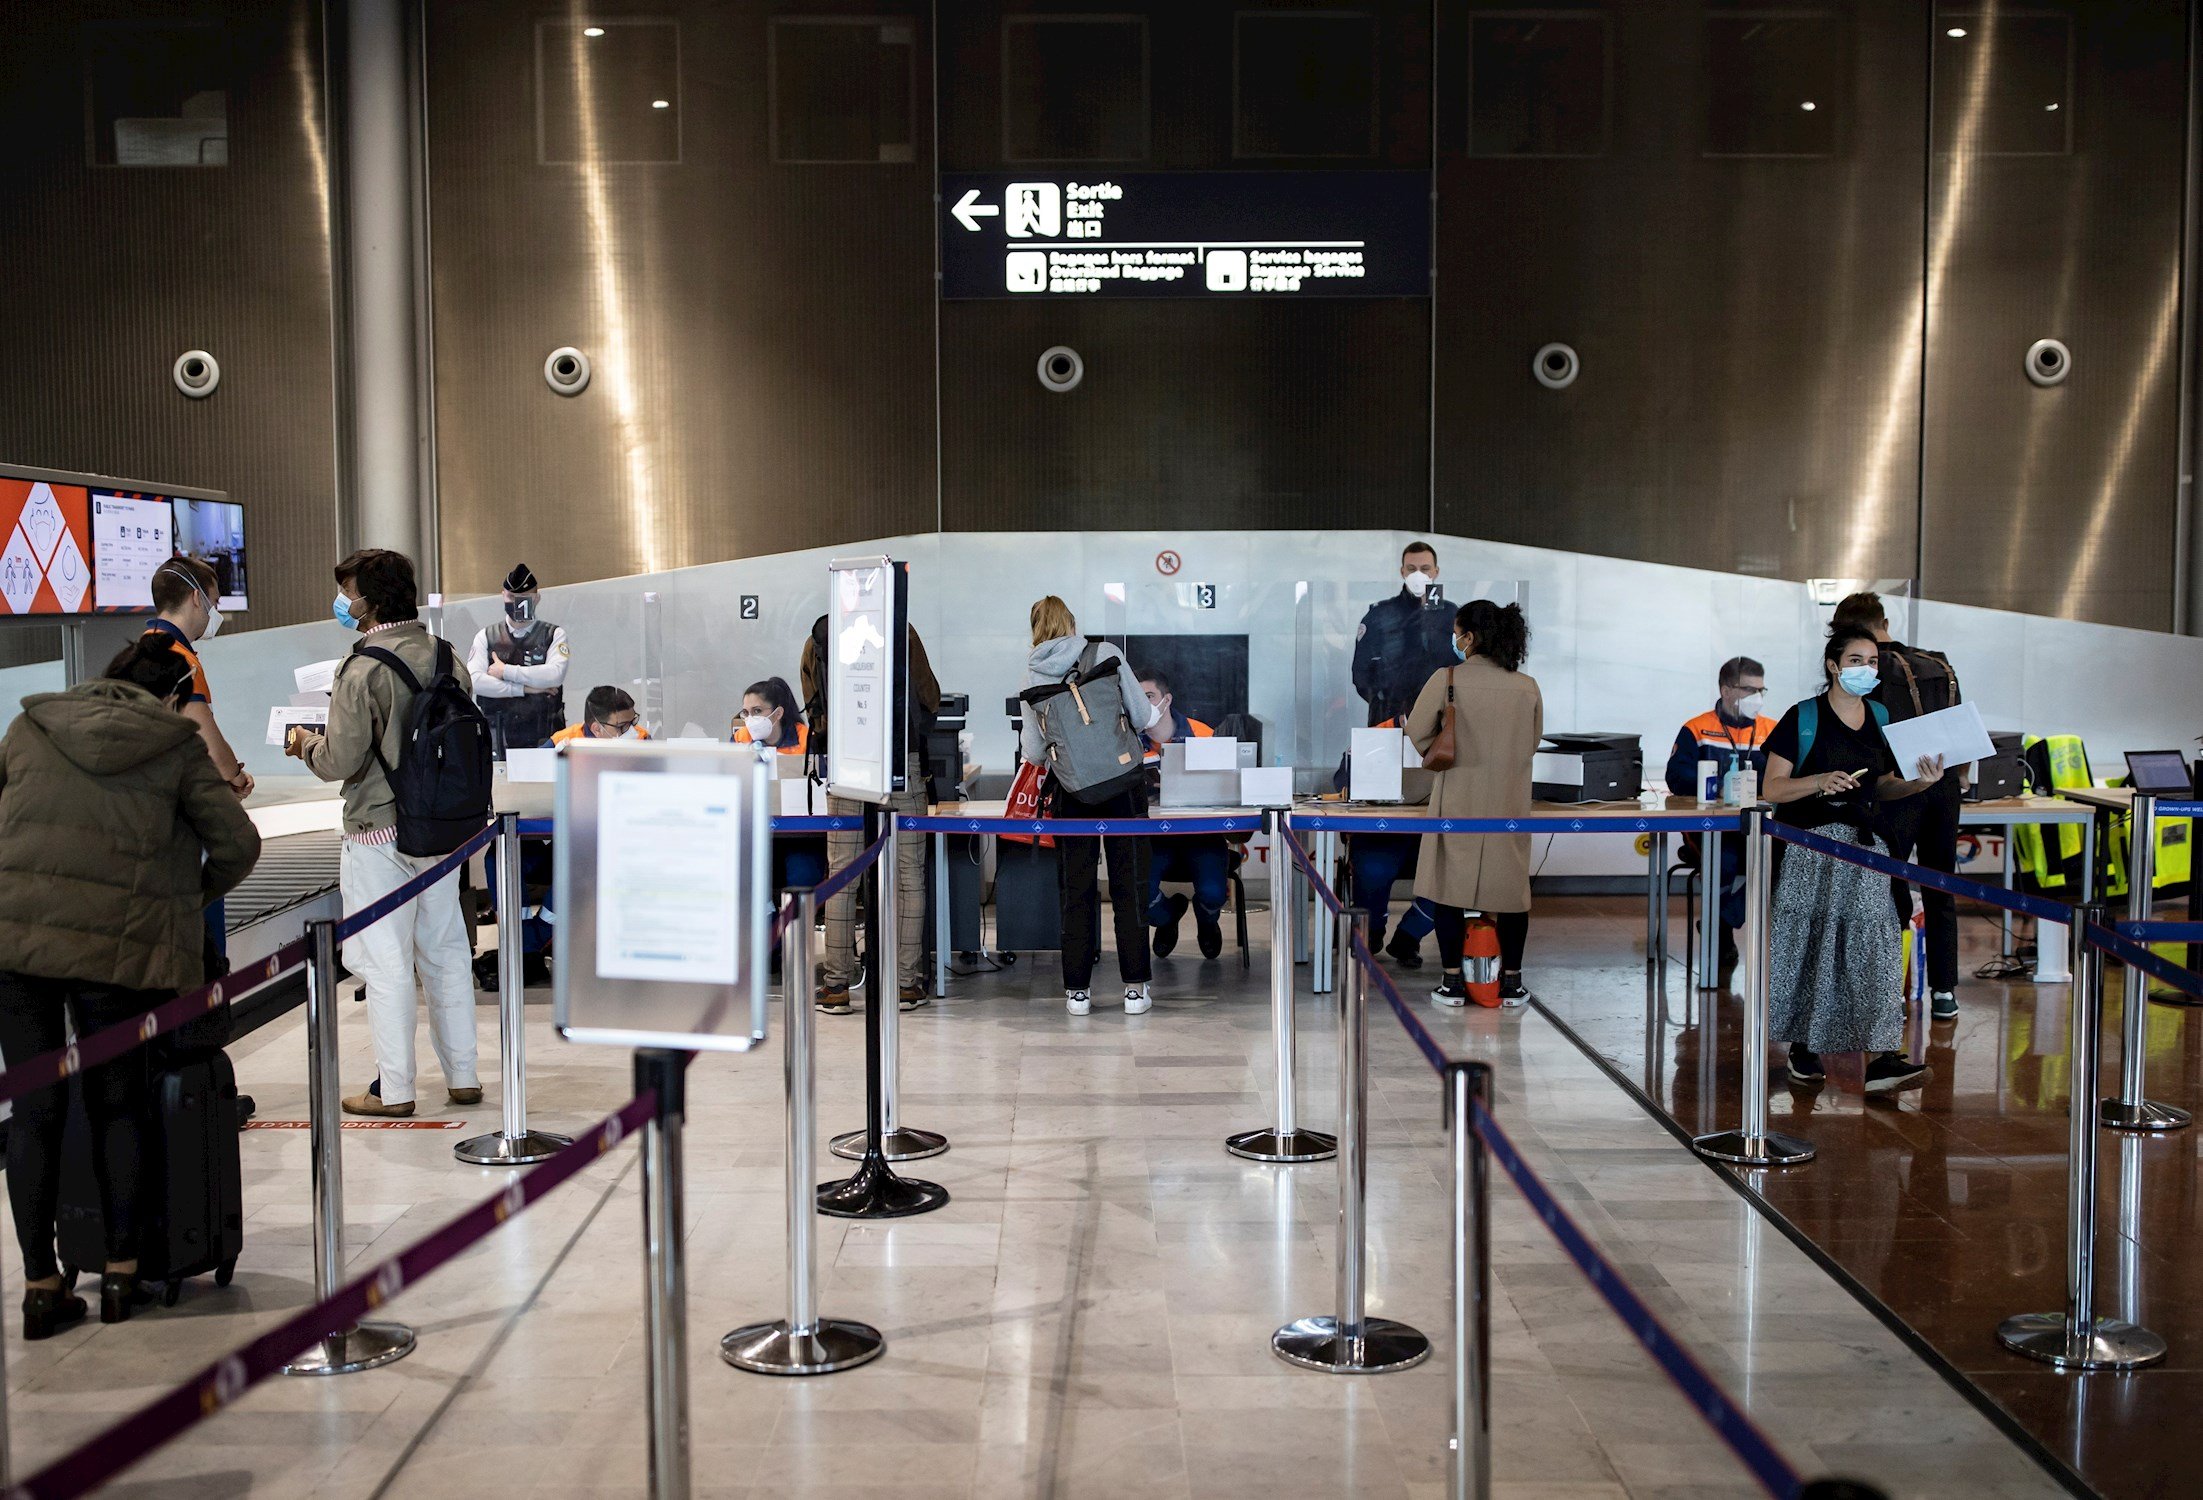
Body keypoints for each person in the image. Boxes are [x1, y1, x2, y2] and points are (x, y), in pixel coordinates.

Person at [0, 636, 260, 1335]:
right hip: (117, 951)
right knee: (118, 1104)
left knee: (33, 1111)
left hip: (16, 943)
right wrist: (178, 904)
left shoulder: (29, 726)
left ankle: (40, 1287)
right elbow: (238, 845)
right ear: (174, 698)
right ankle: (120, 1277)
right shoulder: (174, 745)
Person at [285, 549, 482, 1118]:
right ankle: (463, 1076)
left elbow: (340, 760)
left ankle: (394, 1090)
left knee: (386, 961)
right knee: (446, 951)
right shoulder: (446, 656)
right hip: (443, 830)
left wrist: (304, 743)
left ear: (369, 602)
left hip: (379, 831)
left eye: (347, 593)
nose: (342, 602)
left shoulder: (361, 669)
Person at [1760, 623, 1945, 1092]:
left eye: (1872, 661)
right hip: (1812, 848)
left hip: (1866, 847)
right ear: (1833, 666)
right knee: (1811, 944)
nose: (1866, 669)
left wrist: (1918, 784)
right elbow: (1773, 788)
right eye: (1856, 661)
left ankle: (1881, 1056)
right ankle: (1803, 1050)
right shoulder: (1803, 717)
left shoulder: (1879, 715)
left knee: (1876, 946)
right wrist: (1819, 781)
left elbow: (1880, 785)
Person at [1832, 592, 1967, 1022]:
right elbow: (1960, 728)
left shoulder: (1869, 670)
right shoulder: (1938, 663)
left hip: (1895, 788)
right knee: (1940, 886)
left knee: (1888, 889)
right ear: (1885, 621)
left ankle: (1888, 988)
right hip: (1943, 787)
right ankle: (1944, 992)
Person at [1024, 597, 1161, 1015]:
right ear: (1071, 622)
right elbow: (1142, 717)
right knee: (1129, 886)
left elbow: (1034, 752)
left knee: (1076, 890)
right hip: (1124, 787)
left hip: (1072, 791)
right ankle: (1134, 989)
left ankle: (1078, 992)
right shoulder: (1106, 653)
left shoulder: (1033, 673)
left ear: (1035, 629)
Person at [801, 617, 939, 1016]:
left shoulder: (822, 634)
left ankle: (836, 985)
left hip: (847, 759)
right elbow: (929, 696)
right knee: (909, 873)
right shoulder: (900, 628)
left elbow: (814, 705)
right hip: (899, 758)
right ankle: (906, 984)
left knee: (842, 875)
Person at [1406, 600, 1541, 1006]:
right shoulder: (1527, 686)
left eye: (1457, 632)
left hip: (1457, 800)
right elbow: (1532, 742)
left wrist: (1441, 754)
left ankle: (1452, 982)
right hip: (1509, 803)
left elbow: (1417, 730)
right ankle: (1512, 982)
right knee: (1512, 893)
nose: (1455, 639)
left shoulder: (1446, 679)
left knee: (1448, 890)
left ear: (1470, 637)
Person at [145, 556, 253, 977]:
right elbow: (203, 731)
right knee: (203, 940)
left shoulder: (139, 649)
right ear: (195, 598)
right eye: (214, 602)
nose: (215, 614)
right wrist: (234, 775)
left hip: (148, 813)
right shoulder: (180, 658)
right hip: (184, 816)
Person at [1663, 656, 1776, 969]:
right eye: (1749, 690)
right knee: (1727, 859)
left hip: (1757, 826)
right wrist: (1718, 785)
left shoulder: (1772, 731)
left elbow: (1783, 777)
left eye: (1761, 690)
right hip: (1708, 828)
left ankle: (1720, 920)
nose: (1757, 697)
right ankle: (1722, 930)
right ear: (1726, 691)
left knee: (1781, 861)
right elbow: (1676, 777)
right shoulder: (1697, 729)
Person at [1138, 670, 1230, 960]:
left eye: (1149, 696)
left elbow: (1226, 788)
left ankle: (1206, 920)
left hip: (1202, 835)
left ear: (1166, 700)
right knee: (1137, 894)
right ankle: (1169, 916)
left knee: (1214, 894)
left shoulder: (1203, 734)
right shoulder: (1126, 740)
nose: (1142, 704)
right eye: (1136, 698)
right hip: (1153, 837)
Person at [1331, 719, 1436, 967]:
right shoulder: (1377, 734)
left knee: (1458, 872)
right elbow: (1343, 784)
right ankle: (1372, 930)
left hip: (1433, 835)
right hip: (1380, 833)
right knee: (1374, 869)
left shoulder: (1451, 734)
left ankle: (1409, 935)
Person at [1352, 540, 1458, 727]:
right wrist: (1385, 703)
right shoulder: (1380, 615)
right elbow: (1361, 672)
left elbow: (1463, 667)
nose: (1418, 574)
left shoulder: (1451, 614)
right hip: (1390, 718)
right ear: (1402, 572)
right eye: (1411, 569)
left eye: (1425, 569)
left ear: (1436, 572)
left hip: (1440, 719)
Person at [735, 677, 826, 892]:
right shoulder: (740, 738)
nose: (751, 719)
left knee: (802, 877)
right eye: (746, 713)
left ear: (778, 713)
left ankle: (796, 913)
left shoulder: (807, 739)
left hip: (801, 832)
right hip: (755, 830)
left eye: (757, 711)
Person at [468, 563, 570, 753]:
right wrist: (525, 688)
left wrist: (505, 671)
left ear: (536, 599)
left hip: (544, 737)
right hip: (497, 738)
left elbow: (554, 675)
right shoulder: (486, 636)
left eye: (524, 597)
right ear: (503, 596)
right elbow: (475, 681)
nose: (517, 603)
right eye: (512, 597)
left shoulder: (553, 634)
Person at [550, 685, 648, 745]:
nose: (633, 731)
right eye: (622, 726)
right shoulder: (561, 742)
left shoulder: (643, 738)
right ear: (597, 729)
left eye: (633, 722)